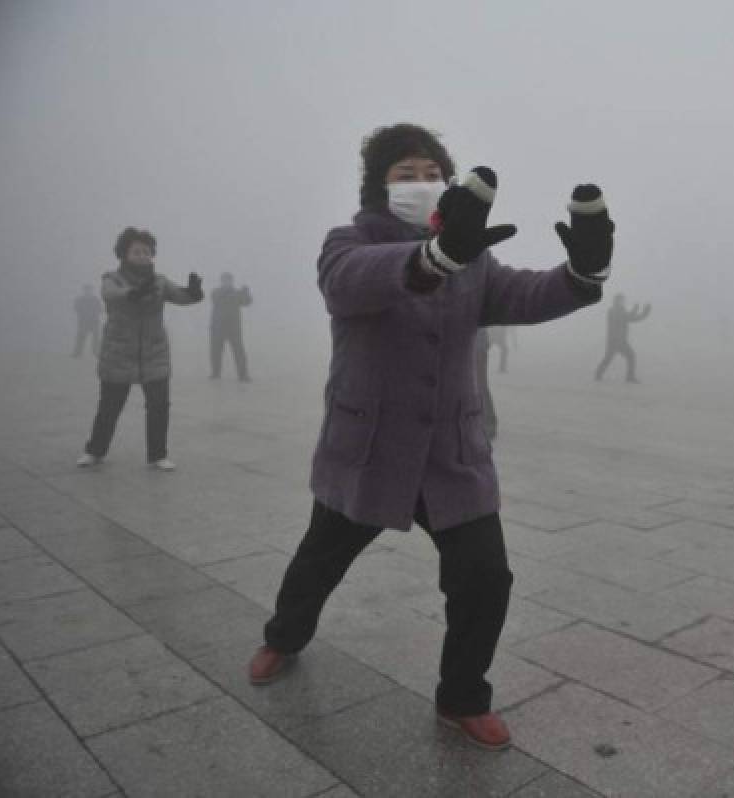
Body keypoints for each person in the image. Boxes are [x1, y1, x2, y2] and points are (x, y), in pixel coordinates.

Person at [247, 124, 614, 752]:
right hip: (369, 450)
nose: (420, 182)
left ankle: (462, 698)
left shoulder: (472, 256)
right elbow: (348, 282)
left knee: (485, 577)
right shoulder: (350, 240)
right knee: (320, 558)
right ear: (379, 184)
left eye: (430, 172)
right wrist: (430, 258)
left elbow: (522, 293)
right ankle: (283, 636)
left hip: (451, 455)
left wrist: (581, 273)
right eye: (405, 173)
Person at [76, 227, 204, 470]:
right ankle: (95, 451)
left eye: (147, 252)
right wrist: (133, 293)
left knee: (159, 407)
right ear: (124, 254)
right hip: (119, 353)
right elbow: (111, 295)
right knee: (109, 407)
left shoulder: (159, 282)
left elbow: (180, 296)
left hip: (154, 354)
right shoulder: (112, 279)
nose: (143, 256)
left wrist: (193, 292)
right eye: (137, 252)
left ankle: (158, 455)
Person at [594, 293, 651, 383]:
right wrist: (641, 311)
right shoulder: (614, 311)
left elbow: (629, 318)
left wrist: (641, 312)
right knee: (630, 356)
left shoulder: (617, 310)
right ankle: (629, 377)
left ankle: (598, 374)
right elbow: (628, 317)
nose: (623, 302)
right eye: (621, 300)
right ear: (616, 301)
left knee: (609, 358)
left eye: (623, 300)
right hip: (617, 340)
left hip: (615, 340)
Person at [209, 271, 253, 381]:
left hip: (233, 328)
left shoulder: (237, 294)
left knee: (238, 351)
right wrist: (239, 294)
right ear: (221, 281)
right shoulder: (216, 292)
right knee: (216, 352)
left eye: (228, 280)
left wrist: (245, 293)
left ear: (231, 281)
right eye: (225, 280)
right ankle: (216, 373)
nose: (226, 283)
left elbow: (247, 302)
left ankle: (243, 375)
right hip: (218, 327)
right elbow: (217, 298)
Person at [475, 328, 498, 439]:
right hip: (477, 346)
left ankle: (489, 424)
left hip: (477, 347)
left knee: (480, 386)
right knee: (479, 386)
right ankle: (486, 423)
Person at [72, 284, 103, 357]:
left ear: (91, 291)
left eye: (89, 290)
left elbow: (100, 309)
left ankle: (96, 353)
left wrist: (92, 313)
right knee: (80, 338)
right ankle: (77, 353)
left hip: (94, 322)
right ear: (84, 291)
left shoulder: (96, 300)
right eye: (87, 290)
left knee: (96, 339)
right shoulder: (80, 300)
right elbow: (76, 309)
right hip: (83, 322)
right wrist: (85, 313)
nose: (88, 292)